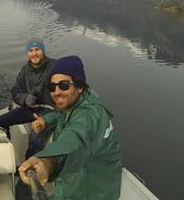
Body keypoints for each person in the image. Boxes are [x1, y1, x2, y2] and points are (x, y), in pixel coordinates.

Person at [18, 56, 122, 200]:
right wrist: (46, 120)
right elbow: (61, 114)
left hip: (90, 191)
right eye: (52, 86)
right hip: (74, 178)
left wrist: (48, 162)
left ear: (80, 86)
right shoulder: (77, 102)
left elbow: (75, 138)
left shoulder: (90, 115)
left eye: (64, 85)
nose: (57, 92)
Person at [0, 38, 56, 158]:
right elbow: (15, 91)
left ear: (43, 51)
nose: (34, 53)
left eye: (37, 49)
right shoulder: (25, 70)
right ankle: (4, 153)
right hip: (30, 109)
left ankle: (27, 166)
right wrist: (25, 99)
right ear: (27, 53)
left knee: (35, 137)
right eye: (31, 50)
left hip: (49, 111)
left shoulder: (54, 66)